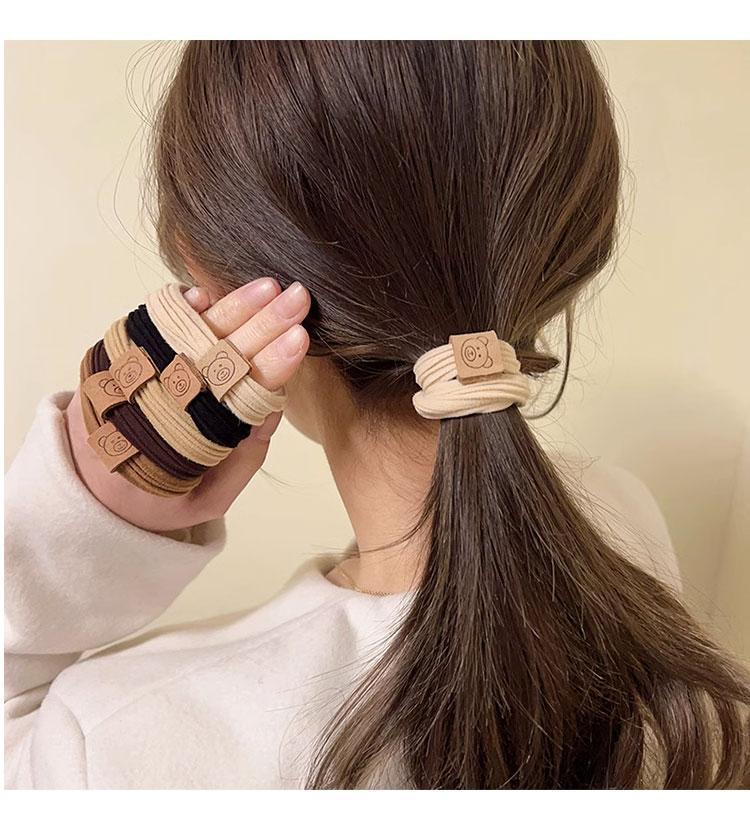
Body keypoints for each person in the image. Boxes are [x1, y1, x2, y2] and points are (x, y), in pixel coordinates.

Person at [5, 41, 749, 790]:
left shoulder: (115, 741)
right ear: (569, 243)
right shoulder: (621, 527)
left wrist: (87, 513)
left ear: (211, 278)